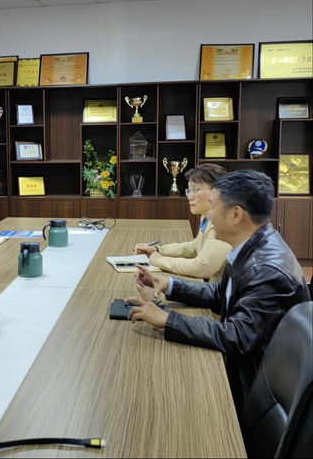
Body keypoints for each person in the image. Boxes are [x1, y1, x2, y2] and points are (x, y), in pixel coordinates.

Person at [125, 170, 309, 413]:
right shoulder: (250, 246)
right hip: (246, 369)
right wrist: (168, 284)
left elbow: (237, 337)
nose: (208, 215)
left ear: (236, 214)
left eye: (213, 207)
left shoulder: (266, 270)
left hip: (252, 386)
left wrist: (168, 320)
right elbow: (220, 294)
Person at [134, 163, 231, 282]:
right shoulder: (207, 216)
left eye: (195, 190)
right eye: (189, 190)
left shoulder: (223, 223)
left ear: (218, 191)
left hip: (220, 292)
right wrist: (157, 249)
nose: (190, 196)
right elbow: (195, 246)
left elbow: (202, 267)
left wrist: (160, 260)